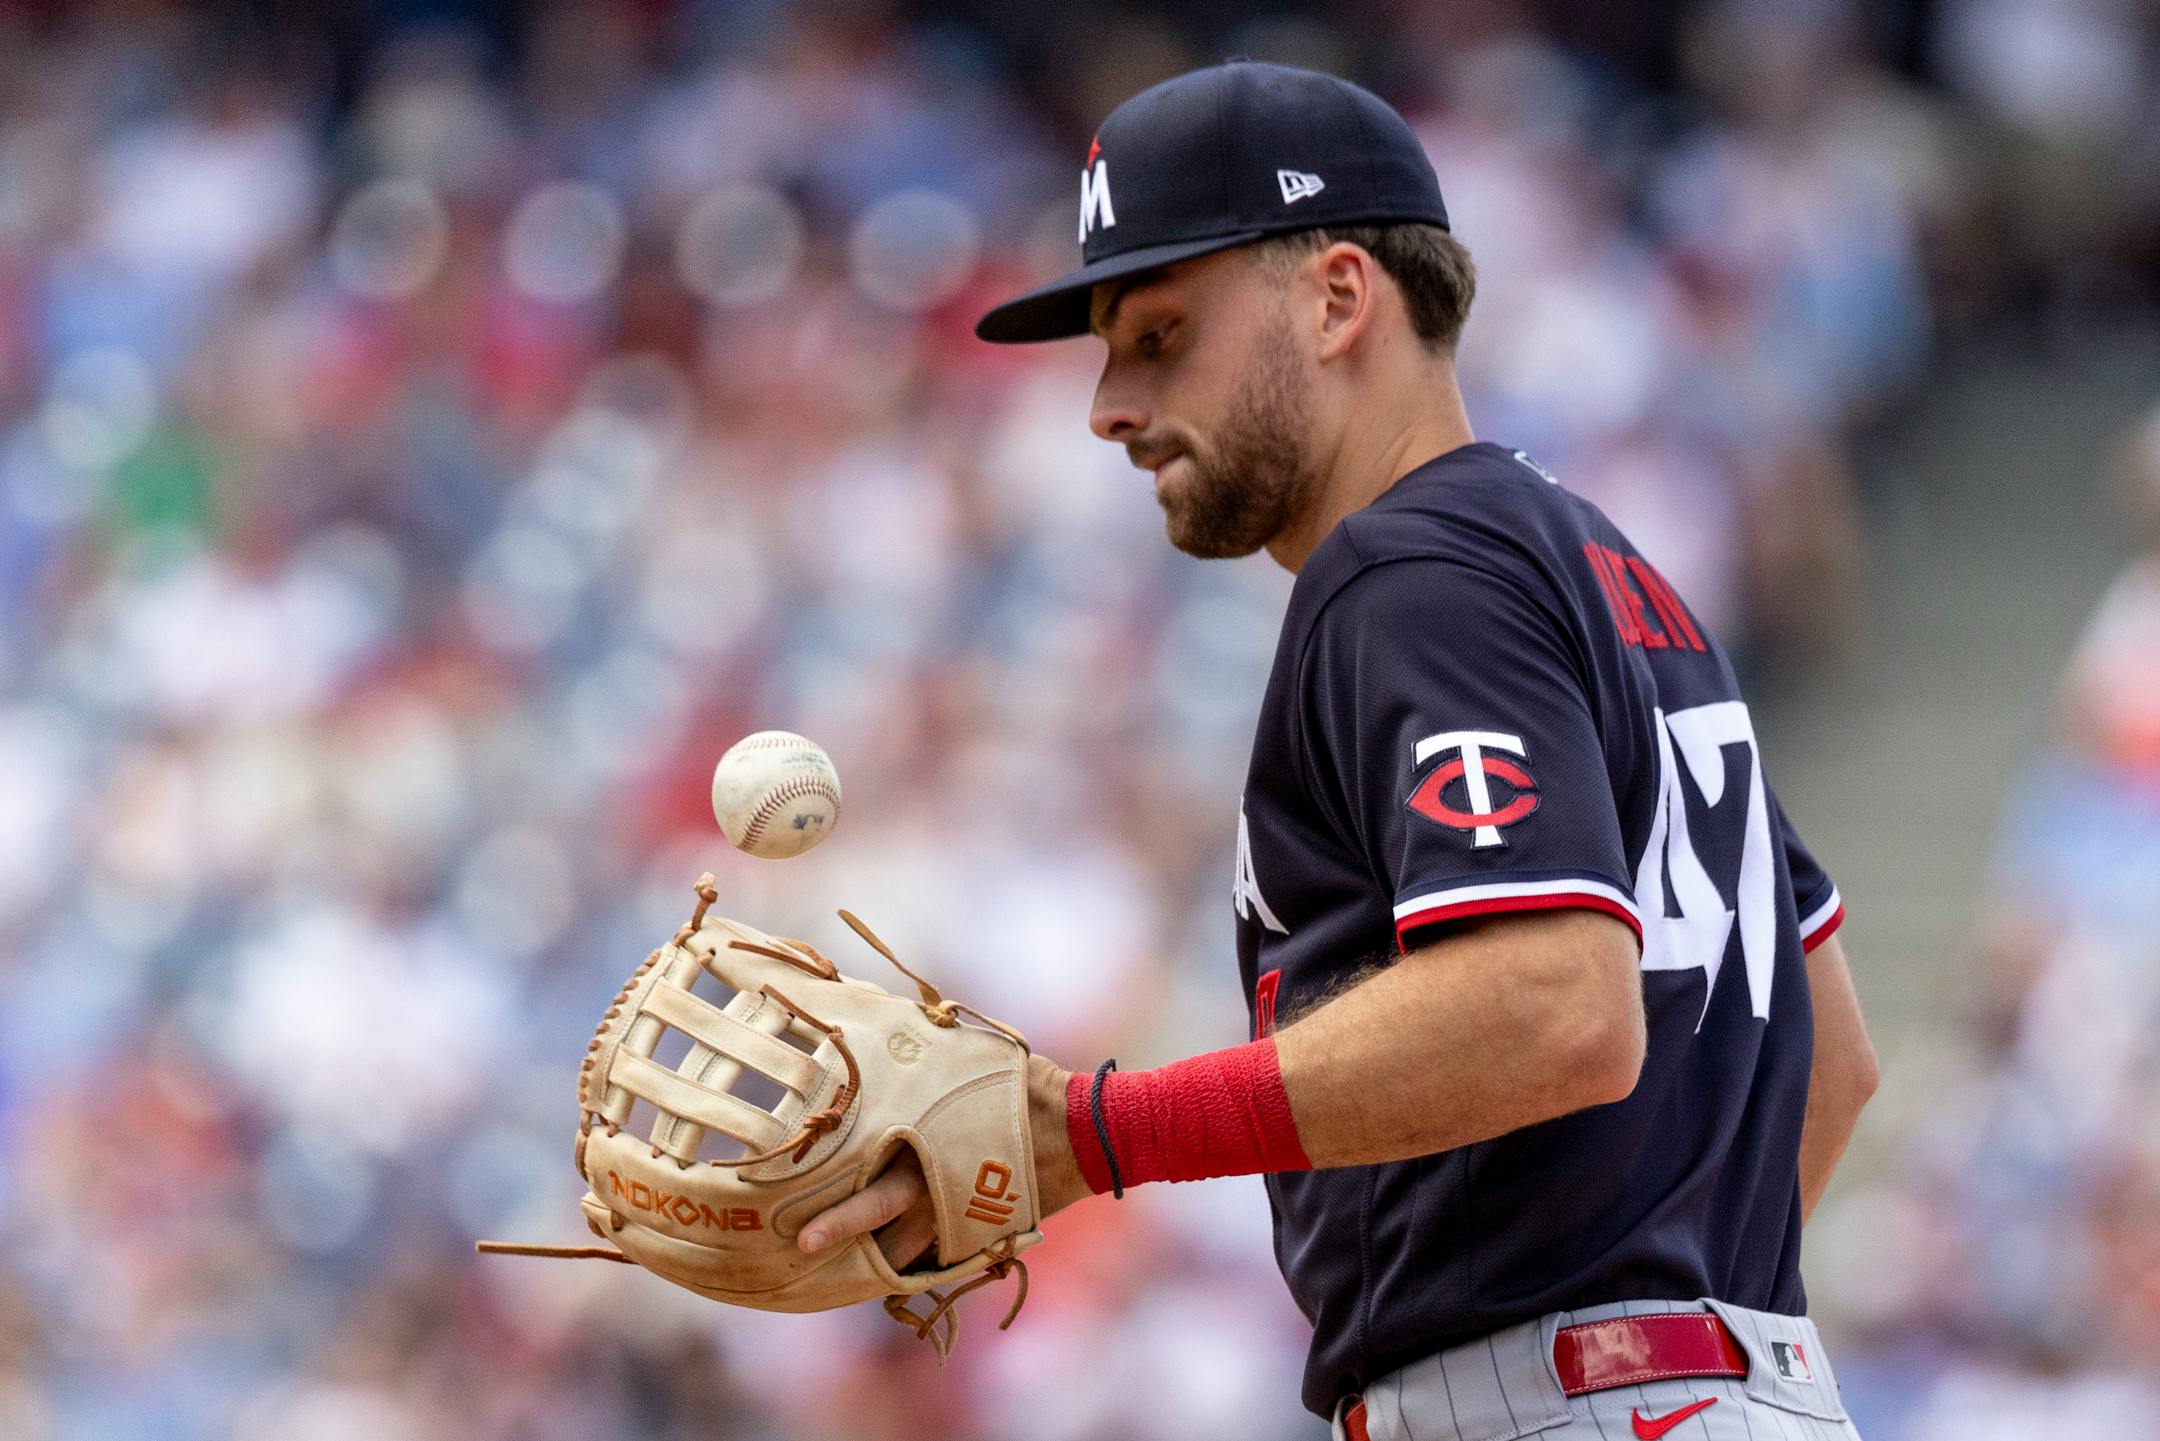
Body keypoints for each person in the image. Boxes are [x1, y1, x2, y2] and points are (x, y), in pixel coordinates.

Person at [798, 60, 1880, 1441]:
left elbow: (1557, 1000)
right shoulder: (1608, 570)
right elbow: (1829, 1053)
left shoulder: (1410, 570)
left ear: (1337, 297)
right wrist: (1684, 1329)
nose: (1110, 404)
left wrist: (1097, 1130)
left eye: (1163, 331)